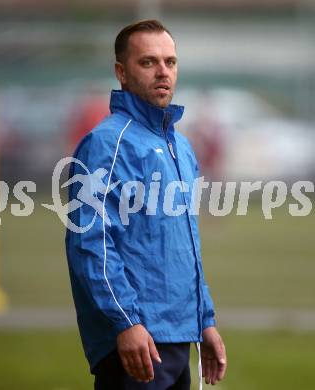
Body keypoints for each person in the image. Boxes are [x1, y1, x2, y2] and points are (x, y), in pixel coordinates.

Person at [65, 20, 227, 389]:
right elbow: (90, 244)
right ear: (122, 72)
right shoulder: (106, 144)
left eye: (170, 62)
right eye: (148, 62)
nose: (163, 72)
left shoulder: (179, 146)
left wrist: (205, 321)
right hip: (137, 342)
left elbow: (184, 247)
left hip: (179, 336)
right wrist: (126, 322)